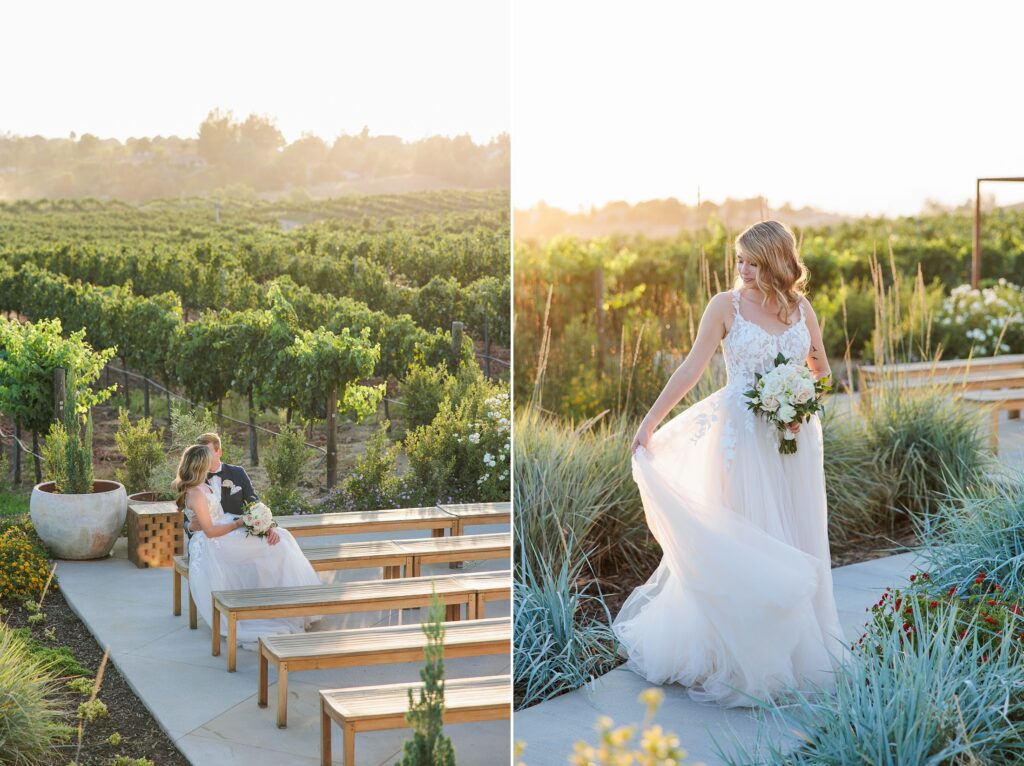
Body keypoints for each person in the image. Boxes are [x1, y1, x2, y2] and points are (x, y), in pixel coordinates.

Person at [615, 220, 848, 707]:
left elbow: (822, 371)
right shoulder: (726, 306)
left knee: (790, 534)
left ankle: (793, 654)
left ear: (778, 262)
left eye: (753, 262)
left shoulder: (801, 308)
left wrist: (802, 401)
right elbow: (692, 366)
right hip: (738, 438)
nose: (742, 269)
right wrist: (650, 421)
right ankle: (733, 657)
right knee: (741, 536)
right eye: (739, 260)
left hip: (790, 437)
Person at [174, 442, 323, 648]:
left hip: (224, 529)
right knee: (277, 546)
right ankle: (283, 605)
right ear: (200, 465)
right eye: (207, 460)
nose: (211, 463)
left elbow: (248, 503)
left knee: (282, 538)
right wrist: (237, 523)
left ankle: (289, 603)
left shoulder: (209, 483)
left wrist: (263, 522)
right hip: (213, 542)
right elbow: (209, 531)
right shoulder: (196, 492)